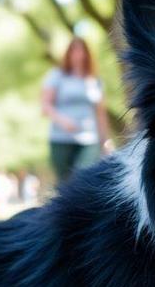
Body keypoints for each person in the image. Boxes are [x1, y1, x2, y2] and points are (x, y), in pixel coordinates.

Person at [42, 37, 113, 185]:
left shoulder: (94, 80)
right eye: (74, 50)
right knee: (63, 184)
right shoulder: (57, 76)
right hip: (61, 138)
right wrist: (63, 120)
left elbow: (100, 114)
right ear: (68, 53)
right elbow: (45, 106)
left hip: (89, 138)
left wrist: (105, 140)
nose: (78, 54)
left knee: (81, 179)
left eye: (81, 50)